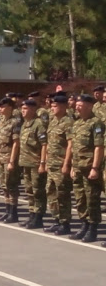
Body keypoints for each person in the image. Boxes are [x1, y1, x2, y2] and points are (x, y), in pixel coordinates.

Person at [66, 95, 104, 244]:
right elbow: (74, 147)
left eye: (80, 105)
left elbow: (99, 147)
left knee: (92, 199)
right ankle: (84, 224)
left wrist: (95, 167)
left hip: (89, 168)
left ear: (89, 106)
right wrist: (72, 166)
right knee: (80, 198)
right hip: (78, 168)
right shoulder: (77, 124)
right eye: (77, 105)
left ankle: (93, 228)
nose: (77, 107)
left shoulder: (96, 123)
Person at [43, 95, 73, 235]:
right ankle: (57, 219)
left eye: (55, 106)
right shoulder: (53, 121)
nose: (52, 108)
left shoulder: (68, 122)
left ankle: (65, 222)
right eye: (52, 106)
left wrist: (66, 164)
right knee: (51, 192)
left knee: (62, 194)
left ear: (62, 106)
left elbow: (70, 145)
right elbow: (49, 143)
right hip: (52, 164)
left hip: (61, 164)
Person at [18, 99, 48, 229]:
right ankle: (32, 214)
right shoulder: (25, 124)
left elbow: (44, 145)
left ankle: (38, 216)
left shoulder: (38, 124)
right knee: (29, 190)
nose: (23, 111)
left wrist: (42, 163)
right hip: (26, 162)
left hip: (36, 163)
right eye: (22, 109)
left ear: (32, 109)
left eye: (25, 109)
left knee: (38, 191)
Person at [0, 97, 22, 223]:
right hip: (1, 158)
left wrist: (11, 161)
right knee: (4, 186)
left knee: (12, 186)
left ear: (10, 107)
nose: (0, 109)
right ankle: (7, 211)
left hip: (10, 158)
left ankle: (13, 212)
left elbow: (16, 143)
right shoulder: (1, 123)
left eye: (3, 107)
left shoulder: (15, 123)